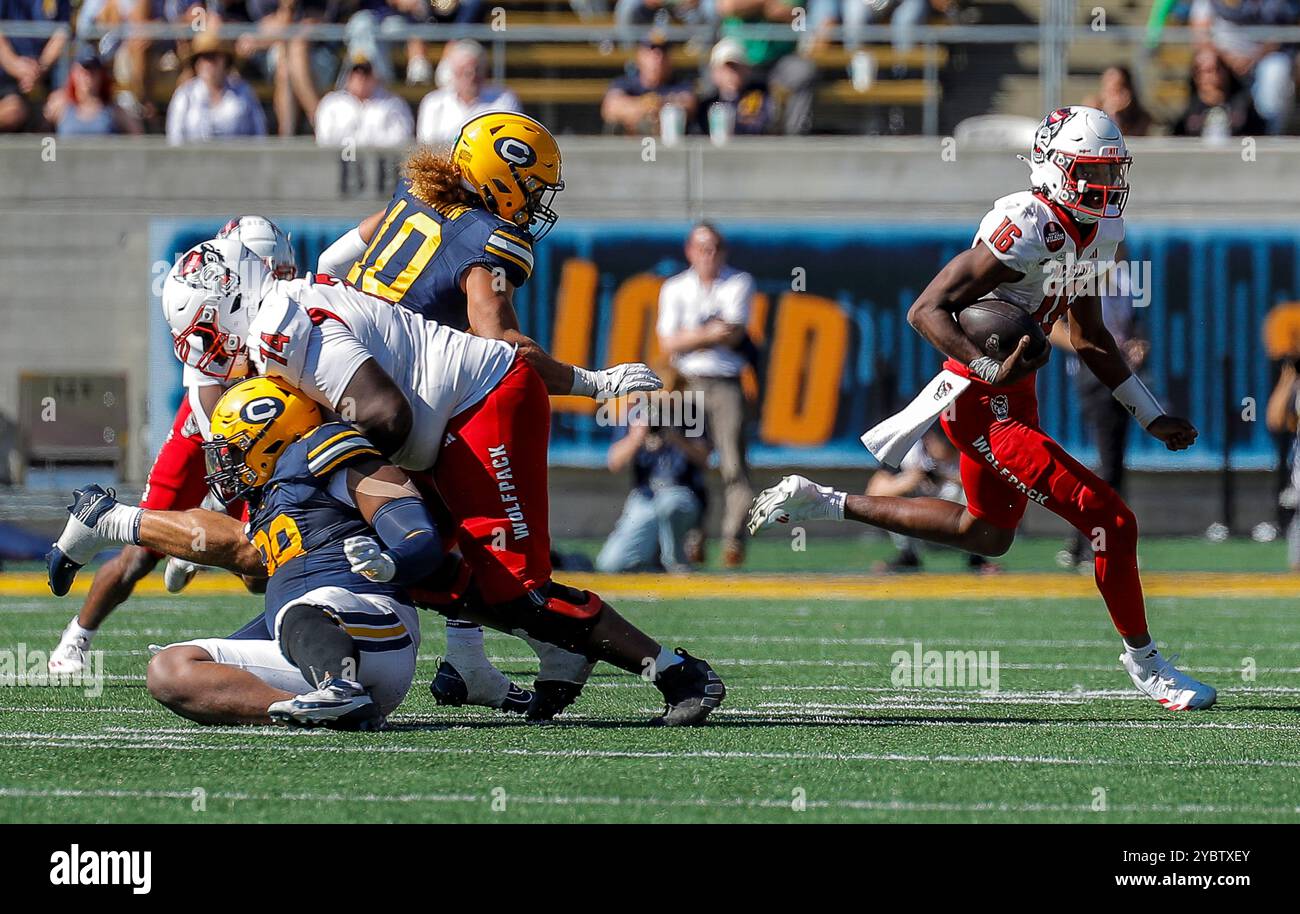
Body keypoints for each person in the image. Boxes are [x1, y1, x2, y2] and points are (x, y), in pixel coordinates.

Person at [68, 236, 726, 726]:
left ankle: (676, 672)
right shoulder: (284, 312)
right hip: (453, 420)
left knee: (511, 590)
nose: (209, 353)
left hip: (480, 410)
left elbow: (386, 413)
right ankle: (554, 658)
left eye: (209, 331)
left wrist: (323, 469)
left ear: (234, 298)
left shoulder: (277, 327)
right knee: (447, 581)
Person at [749, 106, 1217, 712]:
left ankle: (825, 501)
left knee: (987, 534)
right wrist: (989, 366)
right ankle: (1148, 665)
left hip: (1015, 396)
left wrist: (1149, 414)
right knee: (1112, 520)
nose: (1104, 186)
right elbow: (926, 309)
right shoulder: (1025, 224)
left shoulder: (1102, 233)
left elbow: (1093, 336)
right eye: (1090, 171)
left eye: (1110, 171)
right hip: (980, 401)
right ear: (1053, 170)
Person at [313, 112, 663, 715]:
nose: (535, 202)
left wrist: (328, 288)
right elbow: (502, 348)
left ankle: (468, 661)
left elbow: (349, 244)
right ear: (503, 176)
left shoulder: (421, 195)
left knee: (446, 528)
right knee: (446, 542)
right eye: (532, 186)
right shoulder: (489, 240)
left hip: (360, 377)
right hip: (411, 396)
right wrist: (592, 381)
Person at [50, 378, 435, 729]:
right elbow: (249, 564)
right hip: (308, 651)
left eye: (234, 451)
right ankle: (312, 710)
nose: (225, 465)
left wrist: (392, 561)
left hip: (376, 630)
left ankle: (341, 689)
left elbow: (420, 534)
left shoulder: (325, 452)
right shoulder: (274, 500)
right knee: (169, 668)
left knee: (300, 610)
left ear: (270, 438)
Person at [46, 217, 297, 676]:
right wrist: (213, 502)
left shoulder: (288, 309)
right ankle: (77, 634)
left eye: (277, 268)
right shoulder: (216, 310)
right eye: (267, 267)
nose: (276, 277)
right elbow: (211, 418)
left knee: (258, 570)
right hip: (210, 429)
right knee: (143, 549)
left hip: (261, 434)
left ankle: (194, 545)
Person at [657, 222, 755, 568]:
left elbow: (733, 334)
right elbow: (668, 342)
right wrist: (711, 331)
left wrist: (692, 336)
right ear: (689, 251)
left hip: (726, 381)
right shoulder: (674, 287)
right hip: (686, 382)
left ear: (722, 251)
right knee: (688, 463)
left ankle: (733, 540)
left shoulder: (738, 282)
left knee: (733, 467)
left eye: (713, 248)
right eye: (701, 248)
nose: (707, 255)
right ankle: (692, 538)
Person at [1051, 249, 1148, 570]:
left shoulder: (1125, 275)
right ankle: (1090, 542)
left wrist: (1136, 346)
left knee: (1114, 466)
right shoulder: (1077, 272)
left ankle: (1093, 542)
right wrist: (1090, 349)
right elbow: (1053, 327)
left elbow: (1130, 329)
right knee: (1109, 466)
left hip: (1120, 371)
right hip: (1093, 373)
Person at [596, 382, 711, 573]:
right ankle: (653, 560)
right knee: (610, 564)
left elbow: (705, 459)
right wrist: (636, 438)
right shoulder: (636, 413)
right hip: (645, 497)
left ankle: (676, 562)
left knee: (669, 504)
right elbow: (614, 462)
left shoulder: (691, 412)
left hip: (682, 495)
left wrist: (676, 438)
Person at [866, 429, 995, 574]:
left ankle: (977, 558)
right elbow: (874, 493)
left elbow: (993, 490)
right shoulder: (909, 452)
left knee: (976, 494)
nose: (950, 445)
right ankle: (908, 556)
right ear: (929, 438)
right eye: (944, 440)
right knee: (894, 499)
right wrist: (908, 481)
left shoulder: (971, 448)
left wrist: (951, 477)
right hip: (919, 530)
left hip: (960, 531)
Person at [1190, 0, 1297, 135]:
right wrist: (1229, 58)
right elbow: (1201, 36)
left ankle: (1272, 133)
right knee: (1207, 62)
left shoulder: (1273, 4)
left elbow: (1280, 33)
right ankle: (1211, 122)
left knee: (1276, 70)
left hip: (1260, 59)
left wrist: (1253, 58)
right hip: (1223, 60)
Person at [716, 0, 815, 134]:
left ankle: (794, 136)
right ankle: (715, 132)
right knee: (719, 73)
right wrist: (765, 4)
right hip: (739, 54)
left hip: (780, 58)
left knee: (803, 71)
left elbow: (796, 15)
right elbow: (728, 6)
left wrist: (749, 7)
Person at [165, 31, 266, 145]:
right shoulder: (184, 95)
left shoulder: (244, 92)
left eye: (212, 57)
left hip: (236, 161)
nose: (207, 63)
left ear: (226, 61)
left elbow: (259, 136)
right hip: (194, 161)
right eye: (202, 57)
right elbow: (175, 139)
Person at [415, 39, 521, 146]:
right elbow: (426, 146)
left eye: (476, 69)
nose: (472, 75)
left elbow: (510, 140)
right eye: (464, 70)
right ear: (453, 71)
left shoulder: (504, 99)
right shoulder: (433, 102)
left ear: (484, 71)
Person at [600, 31, 697, 136]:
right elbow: (610, 107)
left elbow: (689, 104)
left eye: (663, 52)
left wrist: (657, 105)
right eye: (651, 51)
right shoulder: (625, 83)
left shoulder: (681, 85)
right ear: (639, 56)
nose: (658, 58)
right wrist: (646, 106)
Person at [314, 53, 414, 148]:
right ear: (347, 76)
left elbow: (402, 140)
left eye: (366, 72)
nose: (361, 77)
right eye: (355, 71)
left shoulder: (393, 104)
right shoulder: (331, 104)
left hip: (381, 163)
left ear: (375, 75)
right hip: (339, 162)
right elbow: (323, 140)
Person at [0, 0, 72, 132]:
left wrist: (39, 70)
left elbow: (62, 33)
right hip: (8, 81)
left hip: (46, 80)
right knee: (13, 112)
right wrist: (16, 66)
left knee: (61, 111)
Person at [1173, 47, 1267, 138]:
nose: (1211, 76)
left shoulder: (1243, 105)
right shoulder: (1187, 111)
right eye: (1205, 71)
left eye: (1216, 69)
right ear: (1196, 76)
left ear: (1225, 71)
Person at [44, 48, 142, 136]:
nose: (87, 77)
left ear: (100, 76)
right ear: (74, 74)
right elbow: (40, 136)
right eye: (83, 72)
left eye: (92, 72)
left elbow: (138, 136)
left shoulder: (113, 110)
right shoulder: (60, 105)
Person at [694, 37, 775, 136]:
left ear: (747, 69)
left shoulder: (762, 99)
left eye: (736, 67)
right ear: (714, 73)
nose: (732, 74)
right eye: (726, 68)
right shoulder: (705, 106)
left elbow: (762, 127)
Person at [1085, 65, 1154, 137]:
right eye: (1108, 89)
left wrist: (1117, 115)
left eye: (1117, 90)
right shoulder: (1092, 109)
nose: (1112, 96)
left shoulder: (1141, 117)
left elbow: (1131, 141)